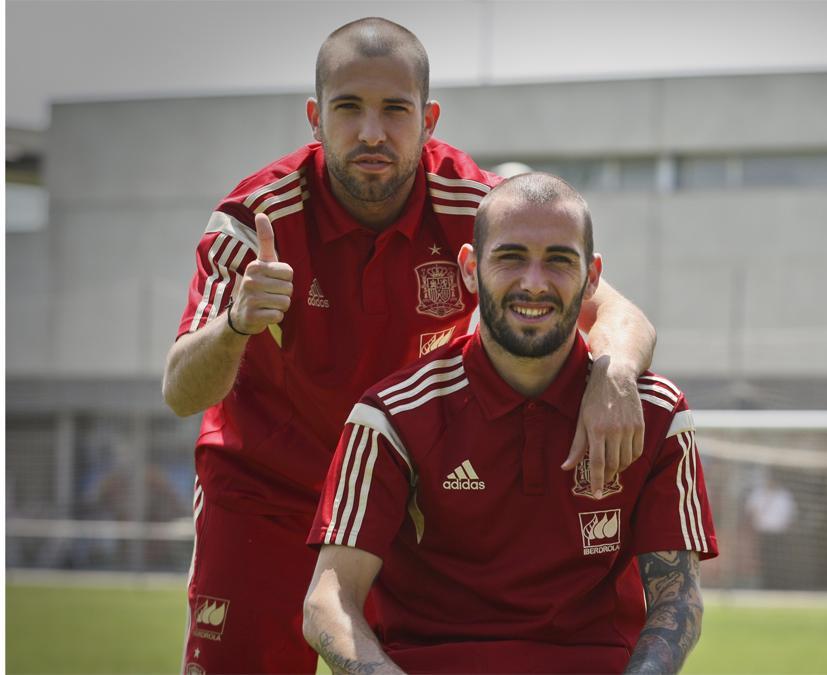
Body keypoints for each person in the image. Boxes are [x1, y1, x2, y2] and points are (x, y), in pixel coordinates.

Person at [162, 19, 656, 674]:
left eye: (395, 109)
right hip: (264, 492)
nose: (372, 132)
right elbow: (180, 390)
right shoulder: (254, 221)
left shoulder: (480, 207)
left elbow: (618, 312)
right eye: (349, 108)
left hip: (404, 496)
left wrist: (613, 374)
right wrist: (236, 324)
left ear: (428, 120)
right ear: (315, 118)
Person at [302, 173, 717, 674]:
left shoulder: (654, 413)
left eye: (559, 260)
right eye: (511, 257)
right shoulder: (393, 416)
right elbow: (328, 602)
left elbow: (678, 601)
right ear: (470, 269)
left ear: (592, 277)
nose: (534, 282)